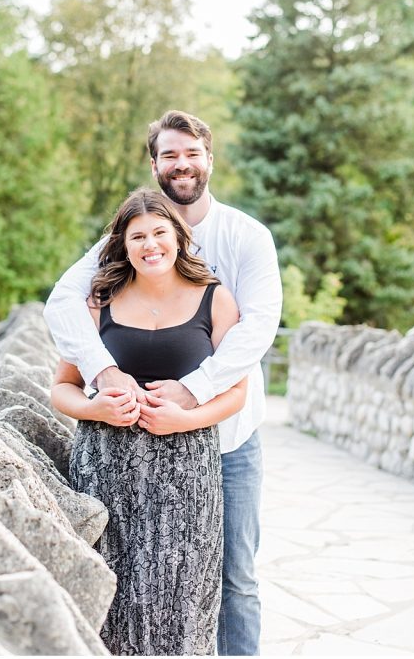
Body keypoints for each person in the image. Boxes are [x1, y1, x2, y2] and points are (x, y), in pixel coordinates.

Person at [44, 110, 282, 655]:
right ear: (154, 165)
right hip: (122, 454)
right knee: (126, 581)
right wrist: (104, 377)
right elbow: (63, 302)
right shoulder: (122, 243)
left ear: (209, 160)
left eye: (191, 152)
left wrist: (192, 392)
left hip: (227, 440)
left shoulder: (246, 238)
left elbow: (257, 332)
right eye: (169, 155)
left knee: (232, 578)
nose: (181, 164)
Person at [52, 189, 245, 654]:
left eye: (160, 232)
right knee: (111, 596)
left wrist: (185, 420)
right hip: (105, 469)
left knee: (183, 595)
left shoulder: (215, 300)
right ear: (122, 244)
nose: (150, 244)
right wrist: (95, 408)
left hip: (188, 469)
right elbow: (62, 388)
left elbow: (237, 392)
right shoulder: (98, 301)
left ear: (179, 238)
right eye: (137, 236)